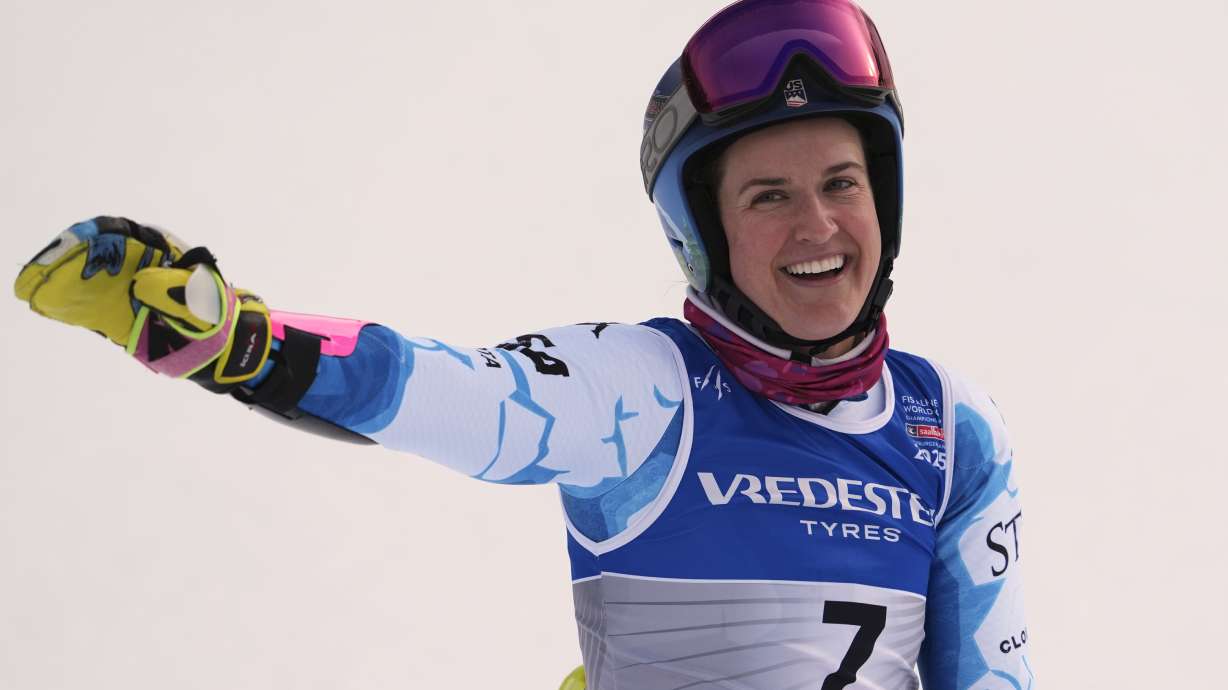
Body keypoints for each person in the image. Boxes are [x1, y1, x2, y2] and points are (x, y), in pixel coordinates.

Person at [13, 0, 1032, 687]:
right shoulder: (647, 391)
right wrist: (237, 339)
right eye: (768, 196)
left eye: (841, 184)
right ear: (706, 234)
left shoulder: (952, 424)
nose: (816, 227)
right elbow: (453, 395)